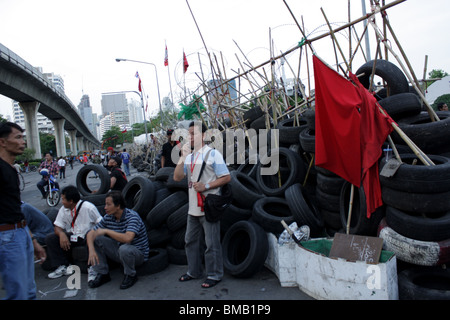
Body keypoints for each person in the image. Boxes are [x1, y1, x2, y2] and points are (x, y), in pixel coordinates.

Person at [174, 121, 230, 288]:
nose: (190, 137)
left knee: (211, 243)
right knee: (190, 241)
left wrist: (206, 186)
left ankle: (214, 274)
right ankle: (194, 271)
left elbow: (226, 177)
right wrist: (183, 157)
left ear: (204, 136)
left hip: (209, 207)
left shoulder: (213, 154)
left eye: (193, 133)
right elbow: (177, 178)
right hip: (193, 208)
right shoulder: (189, 157)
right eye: (189, 134)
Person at [0, 122, 46, 300]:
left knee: (28, 292)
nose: (23, 142)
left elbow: (16, 210)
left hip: (20, 233)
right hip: (7, 237)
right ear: (3, 142)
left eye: (23, 137)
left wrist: (32, 240)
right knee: (18, 295)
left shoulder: (11, 169)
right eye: (18, 137)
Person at [86, 190, 149, 289]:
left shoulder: (132, 217)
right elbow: (90, 233)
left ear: (118, 206)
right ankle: (103, 274)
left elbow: (128, 238)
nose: (105, 207)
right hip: (119, 251)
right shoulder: (108, 217)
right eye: (105, 204)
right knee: (96, 237)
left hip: (137, 254)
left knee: (124, 248)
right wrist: (91, 250)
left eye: (108, 204)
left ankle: (131, 275)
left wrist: (106, 231)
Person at [45, 185, 102, 279]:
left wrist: (93, 233)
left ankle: (93, 268)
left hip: (87, 236)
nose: (61, 201)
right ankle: (63, 266)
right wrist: (61, 234)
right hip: (74, 236)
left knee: (90, 237)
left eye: (63, 199)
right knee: (50, 238)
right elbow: (57, 227)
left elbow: (101, 223)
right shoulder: (63, 210)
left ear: (71, 201)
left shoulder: (88, 208)